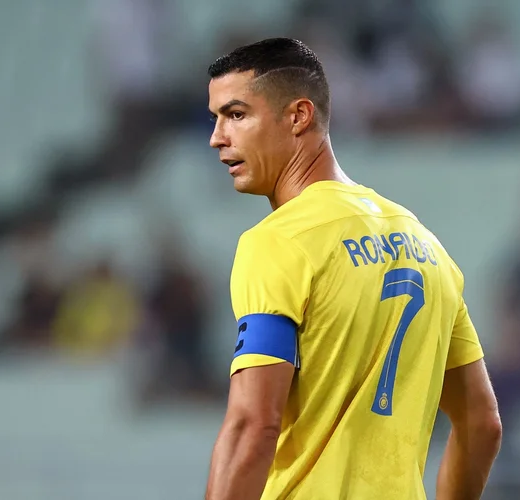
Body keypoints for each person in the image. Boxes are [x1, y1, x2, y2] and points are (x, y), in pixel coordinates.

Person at [204, 38, 502, 500]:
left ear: (298, 116)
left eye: (237, 114)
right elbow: (482, 424)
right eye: (216, 118)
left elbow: (253, 425)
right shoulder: (427, 247)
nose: (218, 137)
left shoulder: (280, 241)